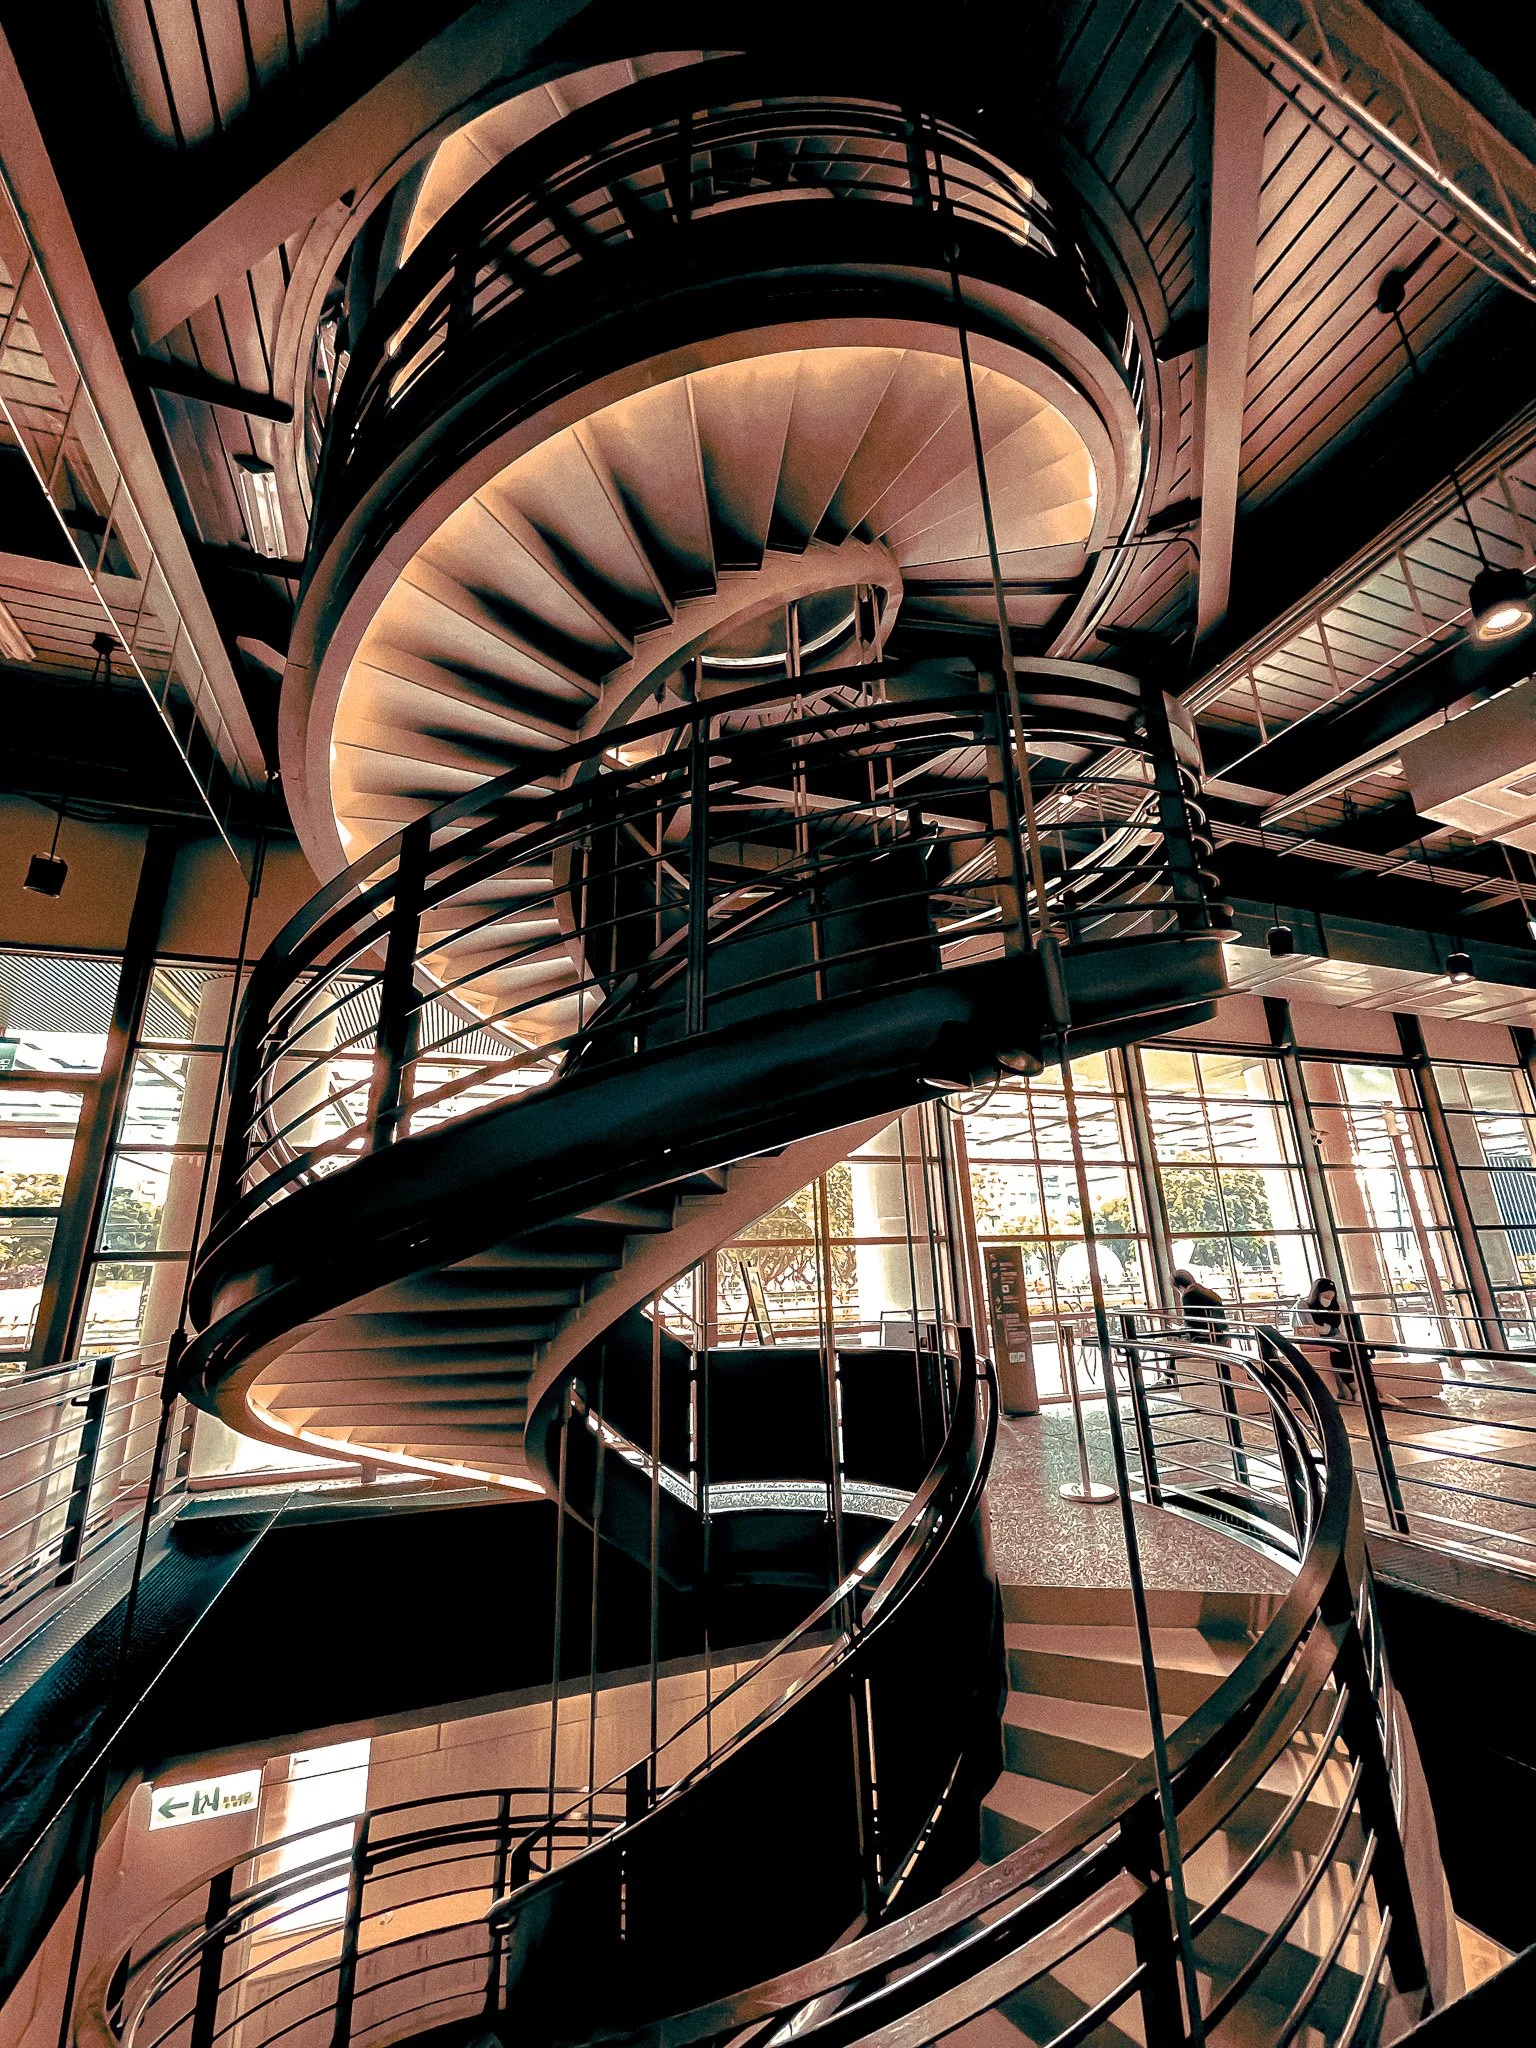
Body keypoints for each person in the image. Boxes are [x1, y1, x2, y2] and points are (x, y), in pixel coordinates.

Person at [1293, 1277, 1363, 1402]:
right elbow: (1307, 1329)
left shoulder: (1335, 1305)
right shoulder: (1303, 1305)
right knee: (1339, 1353)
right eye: (1325, 1293)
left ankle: (1355, 1388)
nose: (1329, 1296)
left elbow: (1338, 1330)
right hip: (1315, 1340)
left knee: (1352, 1351)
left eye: (1332, 1294)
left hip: (1335, 1339)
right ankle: (1354, 1387)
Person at [1172, 1268, 1228, 1343]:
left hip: (1205, 1337)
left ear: (1180, 1287)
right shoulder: (1206, 1292)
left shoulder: (1188, 1296)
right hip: (1220, 1335)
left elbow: (1191, 1322)